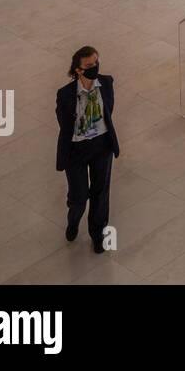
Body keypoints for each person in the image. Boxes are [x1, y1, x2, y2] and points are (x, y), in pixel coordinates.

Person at [55, 46, 120, 253]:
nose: (94, 68)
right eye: (89, 65)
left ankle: (97, 234)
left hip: (102, 146)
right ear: (78, 70)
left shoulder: (107, 83)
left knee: (100, 193)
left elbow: (108, 109)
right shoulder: (65, 94)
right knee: (79, 197)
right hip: (76, 150)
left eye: (96, 63)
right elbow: (64, 124)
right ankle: (73, 220)